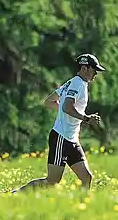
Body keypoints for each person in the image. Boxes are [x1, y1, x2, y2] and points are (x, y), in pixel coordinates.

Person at [10, 54, 106, 193]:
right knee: (52, 181)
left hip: (72, 139)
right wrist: (85, 118)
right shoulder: (77, 84)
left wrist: (64, 111)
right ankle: (16, 193)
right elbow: (67, 107)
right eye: (94, 69)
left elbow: (49, 102)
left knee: (86, 178)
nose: (96, 73)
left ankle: (81, 205)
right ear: (84, 68)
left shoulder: (72, 83)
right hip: (61, 137)